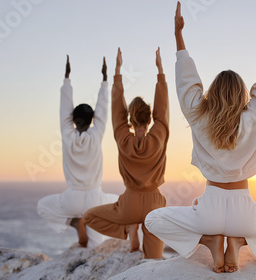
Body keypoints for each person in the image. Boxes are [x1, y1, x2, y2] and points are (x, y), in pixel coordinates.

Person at [145, 2, 256, 274]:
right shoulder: (254, 119)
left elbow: (186, 85)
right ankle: (238, 242)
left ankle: (208, 240)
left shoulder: (200, 119)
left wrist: (179, 36)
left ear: (211, 93)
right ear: (243, 96)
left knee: (152, 218)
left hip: (209, 211)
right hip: (244, 211)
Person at [83, 47, 169, 259]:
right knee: (153, 263)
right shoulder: (159, 134)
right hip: (154, 204)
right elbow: (163, 110)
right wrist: (160, 72)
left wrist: (118, 72)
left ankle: (129, 230)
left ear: (131, 121)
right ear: (150, 119)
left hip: (128, 204)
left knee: (88, 217)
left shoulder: (123, 137)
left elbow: (117, 112)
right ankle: (140, 239)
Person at [37, 56, 118, 248]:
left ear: (73, 121)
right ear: (92, 120)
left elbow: (64, 110)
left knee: (42, 206)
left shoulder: (67, 135)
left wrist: (67, 79)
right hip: (95, 199)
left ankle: (74, 222)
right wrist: (105, 81)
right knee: (121, 205)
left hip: (71, 199)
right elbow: (103, 111)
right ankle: (90, 231)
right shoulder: (96, 134)